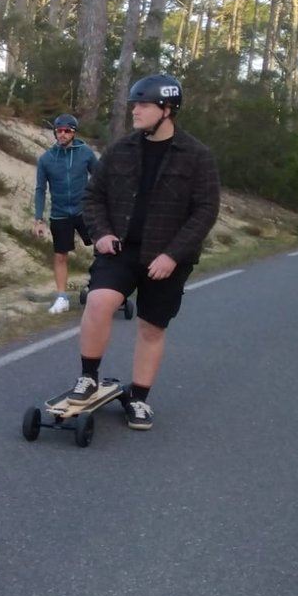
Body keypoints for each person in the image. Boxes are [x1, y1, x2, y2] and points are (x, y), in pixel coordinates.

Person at [62, 74, 219, 430]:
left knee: (151, 327)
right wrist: (100, 234)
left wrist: (173, 255)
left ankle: (139, 399)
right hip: (120, 250)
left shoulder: (197, 157)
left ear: (167, 110)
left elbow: (205, 211)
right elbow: (93, 197)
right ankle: (88, 377)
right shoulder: (121, 150)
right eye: (134, 104)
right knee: (99, 302)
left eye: (143, 105)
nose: (135, 111)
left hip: (167, 258)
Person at [33, 113, 97, 314]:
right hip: (60, 213)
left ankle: (99, 284)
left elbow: (101, 178)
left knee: (103, 247)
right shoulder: (46, 159)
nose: (62, 134)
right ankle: (62, 298)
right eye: (59, 131)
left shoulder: (85, 153)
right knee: (60, 256)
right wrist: (38, 219)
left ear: (73, 132)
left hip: (84, 210)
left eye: (66, 131)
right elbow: (40, 189)